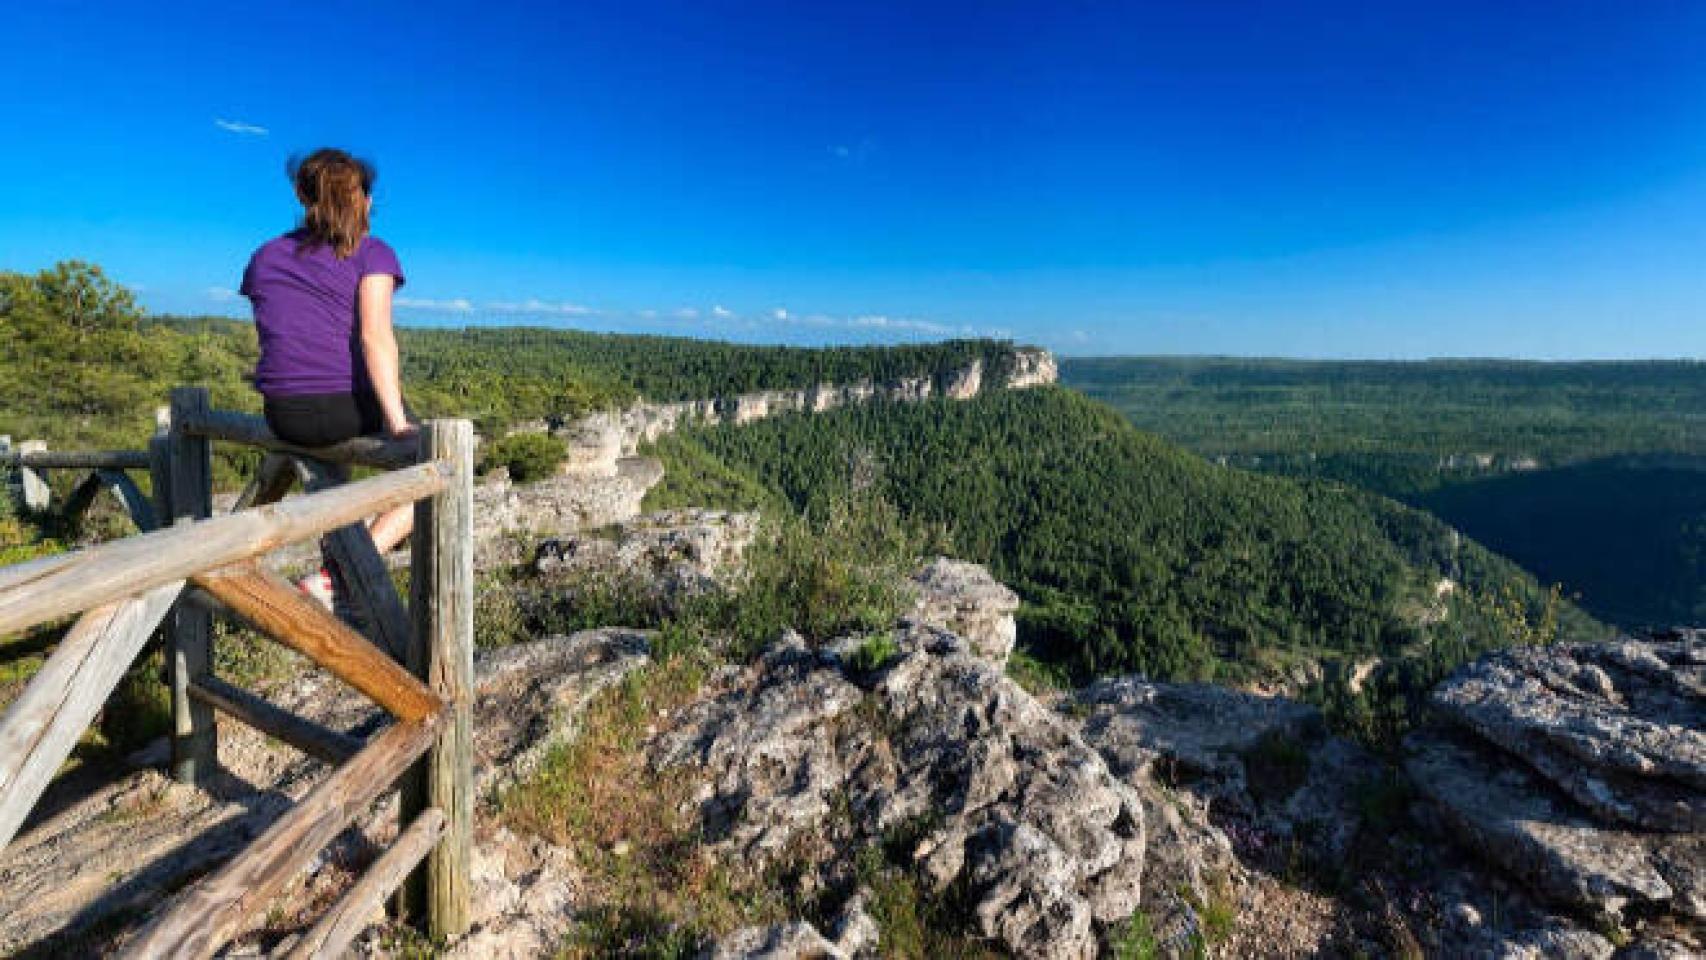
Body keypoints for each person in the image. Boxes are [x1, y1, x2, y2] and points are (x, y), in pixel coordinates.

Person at [239, 147, 416, 606]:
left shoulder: (264, 257)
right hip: (341, 409)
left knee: (333, 477)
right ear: (365, 201)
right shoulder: (372, 252)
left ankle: (336, 553)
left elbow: (283, 330)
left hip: (283, 414)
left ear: (303, 197)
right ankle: (337, 577)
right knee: (435, 476)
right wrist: (397, 423)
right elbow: (376, 339)